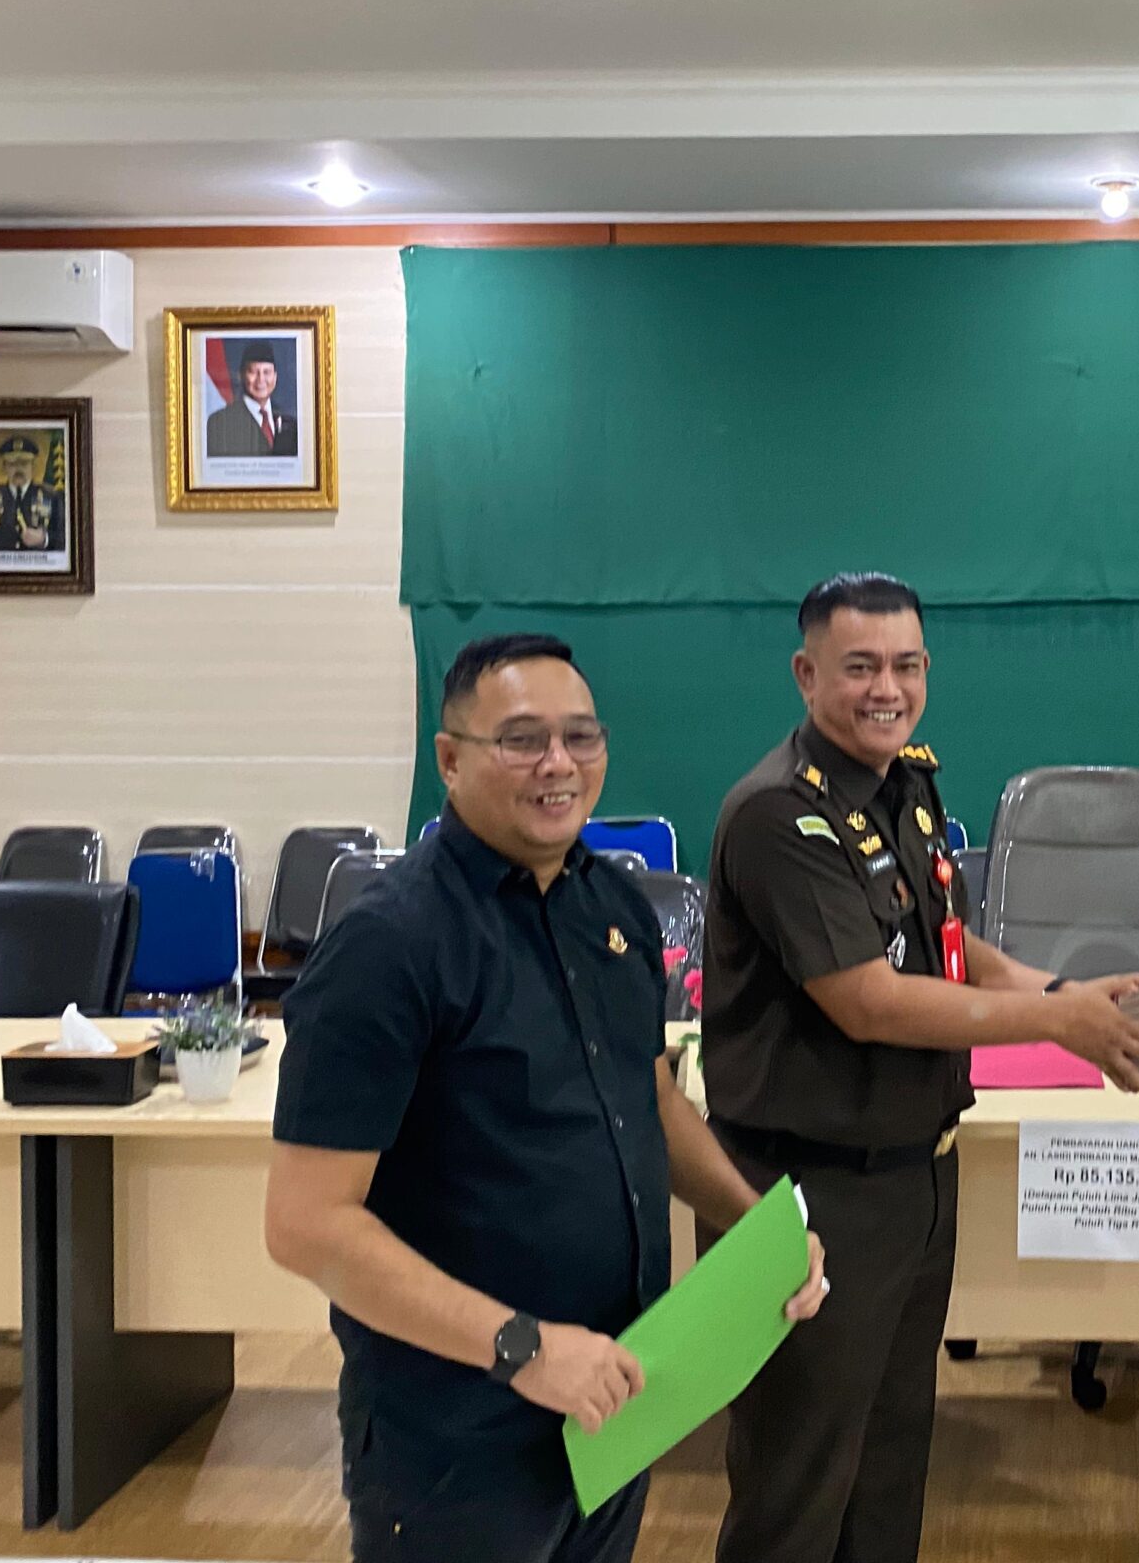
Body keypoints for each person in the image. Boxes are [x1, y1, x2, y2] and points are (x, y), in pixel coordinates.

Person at [266, 632, 827, 1563]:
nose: (559, 763)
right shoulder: (388, 944)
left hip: (614, 1402)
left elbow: (651, 1099)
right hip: (459, 1435)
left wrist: (755, 1227)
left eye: (581, 736)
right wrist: (523, 1348)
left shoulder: (614, 909)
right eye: (522, 739)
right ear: (449, 760)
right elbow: (304, 1225)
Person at [702, 571, 1139, 1563]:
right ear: (805, 675)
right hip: (803, 1192)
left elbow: (945, 946)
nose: (888, 689)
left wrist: (1065, 992)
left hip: (914, 1177)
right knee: (798, 1477)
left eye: (907, 665)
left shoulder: (905, 786)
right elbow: (868, 1000)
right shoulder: (781, 815)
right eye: (860, 667)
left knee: (888, 1461)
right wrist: (1063, 1025)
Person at [0, 434, 63, 552]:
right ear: (4, 467)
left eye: (24, 463)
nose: (18, 469)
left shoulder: (52, 498)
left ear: (33, 466)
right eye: (12, 464)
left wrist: (44, 539)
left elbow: (64, 540)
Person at [208, 343, 299, 456]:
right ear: (241, 375)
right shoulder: (220, 423)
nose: (261, 379)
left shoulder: (290, 424)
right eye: (253, 372)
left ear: (275, 377)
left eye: (266, 372)